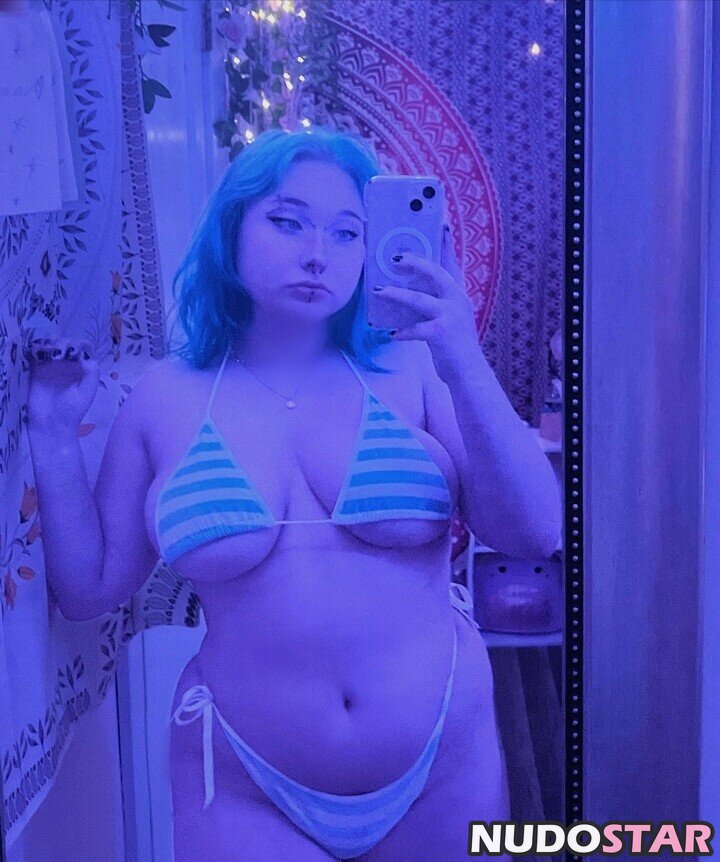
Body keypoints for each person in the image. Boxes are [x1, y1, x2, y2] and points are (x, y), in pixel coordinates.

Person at [26, 127, 561, 861]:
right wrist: (53, 433)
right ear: (231, 230)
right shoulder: (164, 396)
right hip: (243, 778)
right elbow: (90, 589)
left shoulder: (414, 371)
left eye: (347, 233)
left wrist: (462, 354)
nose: (318, 253)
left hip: (445, 764)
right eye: (288, 222)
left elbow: (533, 531)